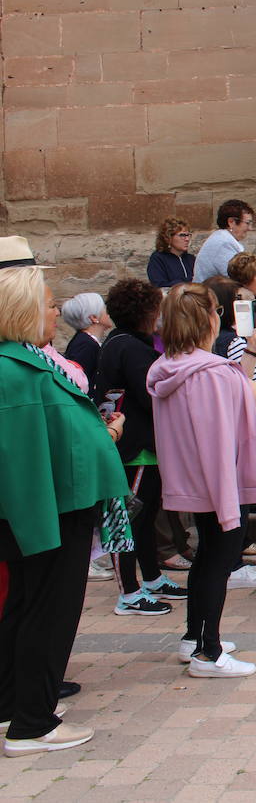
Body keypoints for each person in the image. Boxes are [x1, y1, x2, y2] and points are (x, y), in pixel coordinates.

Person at [0, 253, 127, 756]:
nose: (57, 315)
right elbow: (22, 458)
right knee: (48, 612)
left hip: (55, 506)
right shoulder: (16, 372)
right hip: (49, 513)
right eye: (50, 306)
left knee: (28, 607)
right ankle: (33, 722)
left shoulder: (25, 362)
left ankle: (14, 704)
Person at [148, 283, 256, 678]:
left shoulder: (174, 366)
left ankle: (194, 638)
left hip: (193, 479)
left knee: (205, 558)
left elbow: (229, 389)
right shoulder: (210, 371)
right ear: (208, 319)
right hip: (221, 480)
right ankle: (209, 651)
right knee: (218, 561)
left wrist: (250, 352)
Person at [95, 279, 187, 617]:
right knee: (129, 518)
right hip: (136, 447)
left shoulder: (122, 342)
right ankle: (129, 592)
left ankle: (151, 577)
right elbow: (154, 395)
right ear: (146, 312)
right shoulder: (132, 349)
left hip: (141, 445)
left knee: (145, 518)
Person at [203, 276, 256, 585]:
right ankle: (232, 563)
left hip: (228, 427)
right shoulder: (233, 344)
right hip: (239, 425)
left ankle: (232, 559)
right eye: (243, 303)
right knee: (238, 494)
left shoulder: (222, 345)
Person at [192, 199, 254, 283]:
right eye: (247, 223)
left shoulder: (223, 238)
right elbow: (240, 278)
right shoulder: (223, 243)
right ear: (231, 222)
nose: (250, 228)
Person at [60, 293, 110, 392]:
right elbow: (79, 383)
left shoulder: (86, 341)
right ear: (94, 317)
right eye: (104, 308)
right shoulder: (86, 345)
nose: (108, 313)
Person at [147, 217, 196, 288]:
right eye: (182, 235)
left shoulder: (190, 259)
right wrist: (188, 282)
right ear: (168, 237)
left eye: (188, 235)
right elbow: (159, 285)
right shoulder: (158, 259)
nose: (187, 239)